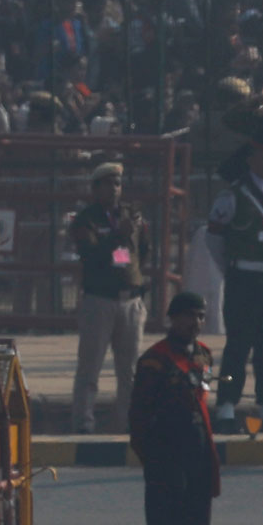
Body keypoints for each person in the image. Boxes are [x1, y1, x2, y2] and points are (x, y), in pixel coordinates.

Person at [129, 292, 220, 525]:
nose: (193, 323)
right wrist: (156, 465)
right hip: (166, 466)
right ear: (172, 319)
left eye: (199, 316)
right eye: (187, 316)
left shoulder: (204, 356)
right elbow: (138, 421)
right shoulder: (154, 361)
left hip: (197, 463)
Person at [208, 132, 263, 432]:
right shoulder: (233, 195)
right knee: (238, 345)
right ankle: (227, 409)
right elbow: (214, 239)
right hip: (243, 276)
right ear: (250, 160)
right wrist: (232, 269)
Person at [68, 163, 152, 434]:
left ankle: (128, 423)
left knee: (129, 371)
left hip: (130, 301)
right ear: (95, 188)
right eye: (107, 183)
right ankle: (84, 422)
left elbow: (144, 251)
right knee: (90, 367)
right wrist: (117, 235)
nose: (114, 189)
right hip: (99, 300)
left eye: (117, 183)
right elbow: (90, 255)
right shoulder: (86, 219)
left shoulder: (132, 216)